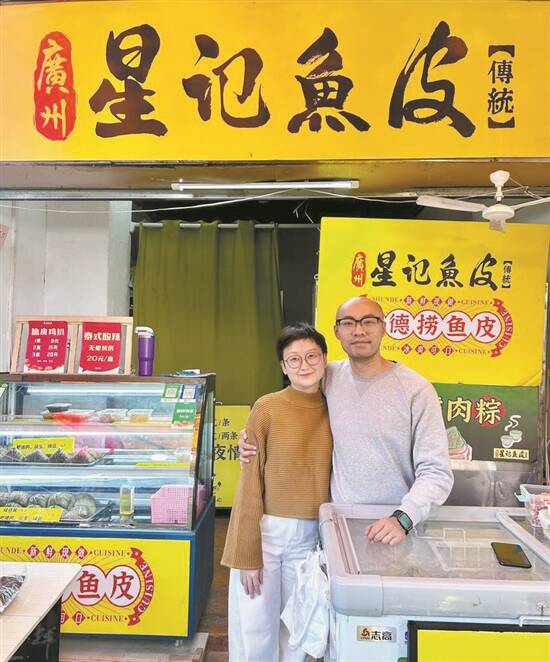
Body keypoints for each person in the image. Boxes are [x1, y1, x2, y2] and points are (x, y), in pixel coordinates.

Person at [240, 295, 453, 545]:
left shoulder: (415, 389)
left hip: (393, 527)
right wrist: (251, 438)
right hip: (337, 523)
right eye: (349, 323)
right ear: (337, 332)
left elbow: (436, 471)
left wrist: (403, 519)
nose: (359, 331)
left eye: (369, 321)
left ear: (384, 327)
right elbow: (292, 405)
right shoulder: (328, 376)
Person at [221, 322, 333, 662]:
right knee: (254, 626)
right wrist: (247, 553)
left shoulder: (336, 409)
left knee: (299, 626)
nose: (304, 365)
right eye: (294, 359)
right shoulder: (266, 408)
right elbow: (250, 482)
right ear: (284, 366)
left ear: (325, 359)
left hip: (312, 536)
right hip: (266, 532)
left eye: (312, 356)